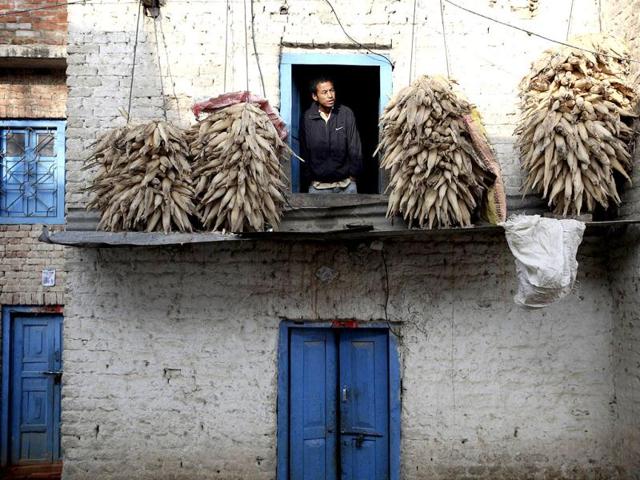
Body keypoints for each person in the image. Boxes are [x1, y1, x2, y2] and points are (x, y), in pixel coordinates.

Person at [299, 77, 363, 194]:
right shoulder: (307, 118)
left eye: (332, 90)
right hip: (318, 187)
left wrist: (353, 175)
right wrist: (309, 177)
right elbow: (304, 150)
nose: (330, 96)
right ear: (315, 96)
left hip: (346, 185)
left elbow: (355, 146)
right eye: (324, 92)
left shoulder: (345, 113)